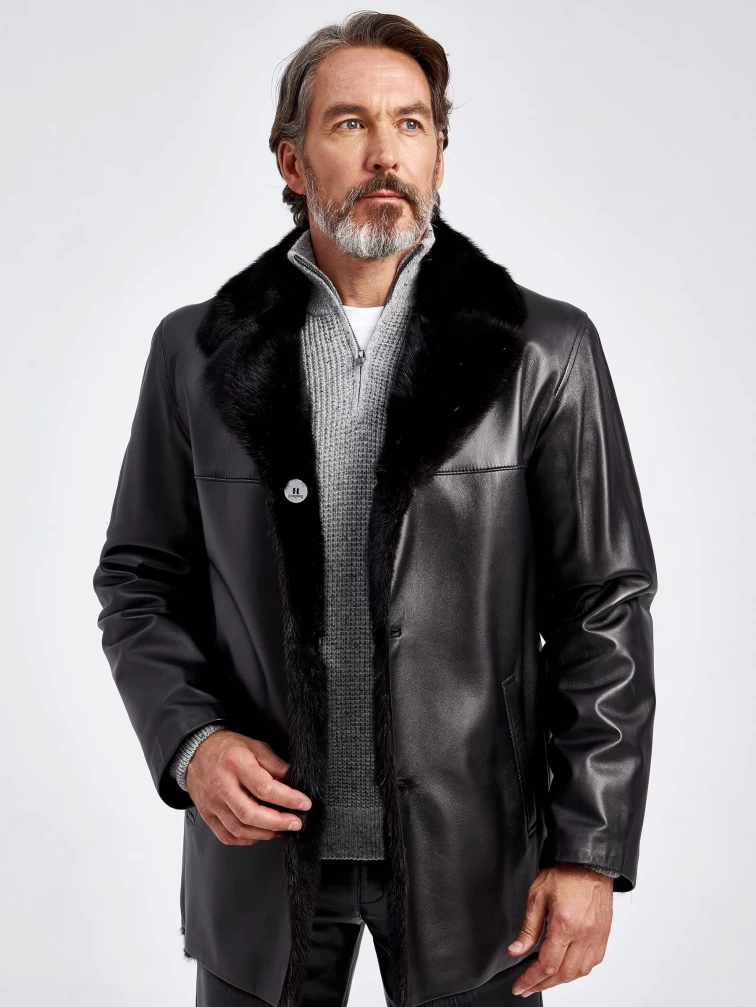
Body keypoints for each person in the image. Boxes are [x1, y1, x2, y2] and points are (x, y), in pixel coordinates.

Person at [93, 11, 657, 1007]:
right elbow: (139, 579)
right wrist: (192, 741)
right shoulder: (196, 353)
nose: (385, 151)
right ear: (293, 160)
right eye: (350, 123)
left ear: (439, 154)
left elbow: (603, 604)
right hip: (261, 854)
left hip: (476, 858)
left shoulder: (542, 350)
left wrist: (590, 847)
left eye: (412, 123)